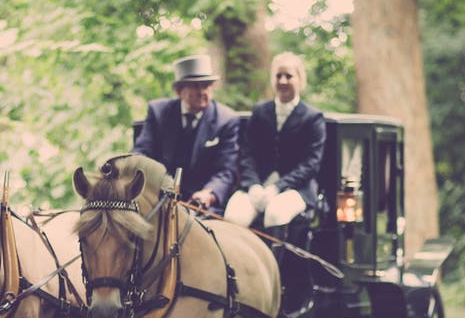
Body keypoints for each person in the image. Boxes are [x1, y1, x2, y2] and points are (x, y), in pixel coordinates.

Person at [224, 52, 326, 229]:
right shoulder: (260, 112)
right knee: (234, 215)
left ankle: (273, 257)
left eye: (289, 76)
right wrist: (253, 185)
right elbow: (247, 154)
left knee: (276, 213)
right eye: (278, 76)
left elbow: (311, 164)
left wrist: (277, 187)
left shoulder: (313, 118)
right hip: (258, 185)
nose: (283, 81)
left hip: (297, 189)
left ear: (300, 80)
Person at [132, 54, 240, 214]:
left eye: (207, 85)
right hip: (159, 198)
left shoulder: (226, 120)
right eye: (196, 86)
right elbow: (142, 153)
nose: (202, 92)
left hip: (201, 204)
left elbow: (226, 170)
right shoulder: (159, 112)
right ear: (179, 91)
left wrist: (209, 193)